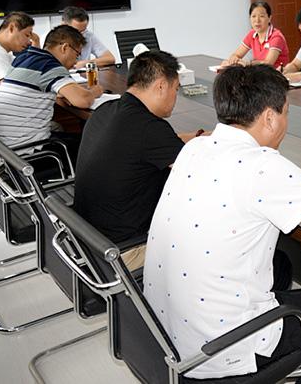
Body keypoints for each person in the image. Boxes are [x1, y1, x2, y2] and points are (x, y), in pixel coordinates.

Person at [144, 65, 301, 382]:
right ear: (269, 117)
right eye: (286, 112)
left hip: (164, 334)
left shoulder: (195, 148)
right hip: (218, 347)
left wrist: (294, 182)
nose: (286, 121)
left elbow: (242, 179)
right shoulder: (265, 167)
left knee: (281, 264)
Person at [73, 51, 209, 271]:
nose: (175, 97)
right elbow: (201, 175)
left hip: (88, 238)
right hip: (123, 251)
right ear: (161, 86)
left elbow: (155, 144)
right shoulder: (149, 127)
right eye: (176, 89)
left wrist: (198, 136)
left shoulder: (107, 110)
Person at [0, 25, 102, 162]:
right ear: (65, 48)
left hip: (5, 150)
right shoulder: (49, 66)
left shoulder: (24, 58)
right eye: (77, 54)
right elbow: (83, 100)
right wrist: (94, 91)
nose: (75, 62)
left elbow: (35, 89)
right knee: (95, 146)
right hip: (28, 154)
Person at [220, 0, 290, 70]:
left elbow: (268, 63)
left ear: (269, 18)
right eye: (253, 16)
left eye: (262, 16)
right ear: (250, 18)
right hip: (259, 73)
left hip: (276, 74)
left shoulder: (276, 37)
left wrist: (248, 63)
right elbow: (236, 54)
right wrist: (233, 60)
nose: (257, 20)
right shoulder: (252, 34)